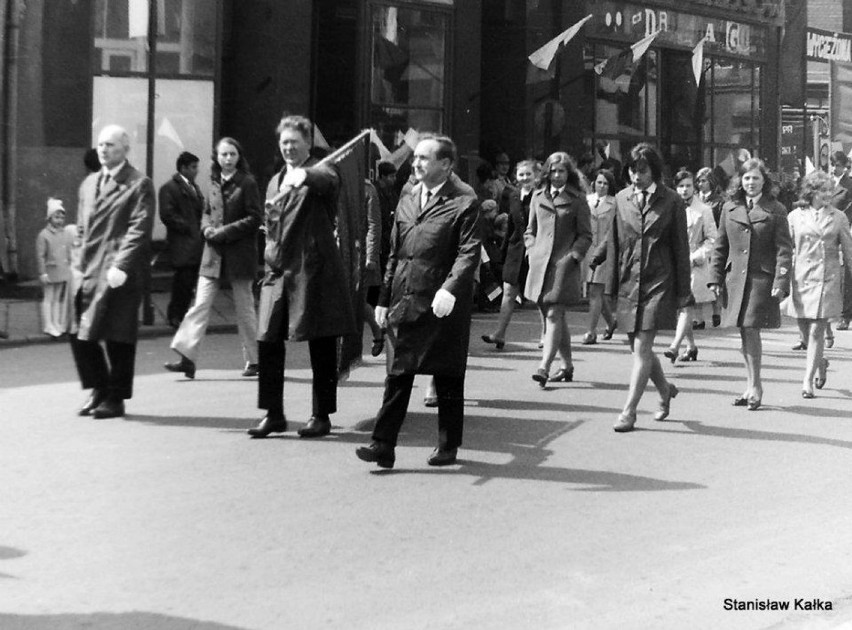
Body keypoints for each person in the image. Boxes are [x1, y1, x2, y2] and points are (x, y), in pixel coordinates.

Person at [356, 135, 481, 468]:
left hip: (443, 304)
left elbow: (469, 253)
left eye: (425, 158)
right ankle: (382, 445)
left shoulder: (464, 203)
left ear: (446, 164)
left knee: (447, 375)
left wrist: (450, 289)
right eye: (416, 158)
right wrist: (383, 298)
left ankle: (448, 444)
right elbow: (395, 252)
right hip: (407, 298)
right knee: (399, 373)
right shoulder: (408, 196)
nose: (416, 163)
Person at [248, 115, 356, 439]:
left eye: (294, 142)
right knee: (267, 339)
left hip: (312, 271)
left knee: (321, 344)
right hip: (277, 272)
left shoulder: (323, 169)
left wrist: (304, 176)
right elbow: (270, 223)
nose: (288, 148)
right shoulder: (274, 180)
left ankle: (320, 415)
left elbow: (327, 180)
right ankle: (273, 414)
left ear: (308, 143)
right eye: (284, 143)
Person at [589, 143, 692, 432]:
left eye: (643, 171)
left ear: (655, 171)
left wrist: (684, 293)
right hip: (628, 280)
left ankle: (629, 411)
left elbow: (680, 250)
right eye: (633, 170)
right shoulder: (621, 199)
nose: (637, 176)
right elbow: (614, 238)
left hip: (660, 280)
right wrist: (601, 266)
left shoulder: (672, 201)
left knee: (643, 345)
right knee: (637, 348)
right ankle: (664, 390)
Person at [70, 124, 155, 419]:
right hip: (88, 269)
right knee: (80, 332)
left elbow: (139, 229)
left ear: (125, 149)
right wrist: (77, 258)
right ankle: (99, 388)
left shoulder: (138, 184)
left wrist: (121, 265)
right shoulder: (89, 183)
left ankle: (115, 397)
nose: (104, 150)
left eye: (111, 145)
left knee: (118, 336)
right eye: (101, 145)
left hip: (118, 272)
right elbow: (81, 227)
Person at [164, 137, 261, 380]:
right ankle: (187, 358)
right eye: (223, 155)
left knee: (245, 308)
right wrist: (206, 228)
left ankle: (255, 360)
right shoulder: (212, 182)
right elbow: (206, 212)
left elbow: (254, 218)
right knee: (200, 305)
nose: (228, 159)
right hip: (213, 254)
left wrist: (224, 232)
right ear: (217, 158)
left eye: (232, 155)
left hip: (239, 254)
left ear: (239, 157)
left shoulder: (247, 183)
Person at [709, 158, 792, 411]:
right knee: (744, 332)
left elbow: (784, 250)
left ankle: (756, 386)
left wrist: (781, 280)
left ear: (764, 181)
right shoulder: (729, 208)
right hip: (735, 280)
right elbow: (720, 245)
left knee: (751, 329)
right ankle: (749, 385)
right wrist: (714, 278)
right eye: (746, 178)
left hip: (760, 280)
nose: (751, 183)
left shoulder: (776, 209)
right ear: (740, 181)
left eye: (756, 178)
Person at [524, 152, 592, 387]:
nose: (556, 175)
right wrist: (531, 249)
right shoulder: (537, 196)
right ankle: (567, 366)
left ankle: (544, 367)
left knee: (554, 314)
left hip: (564, 265)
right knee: (554, 316)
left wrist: (574, 256)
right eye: (552, 171)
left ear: (568, 173)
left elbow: (585, 235)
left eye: (561, 171)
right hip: (540, 264)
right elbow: (529, 230)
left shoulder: (578, 199)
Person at [785, 170, 852, 398]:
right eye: (822, 191)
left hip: (828, 279)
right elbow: (786, 250)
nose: (827, 195)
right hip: (801, 278)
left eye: (829, 191)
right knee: (805, 332)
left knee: (816, 331)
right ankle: (820, 362)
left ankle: (807, 381)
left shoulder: (839, 217)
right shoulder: (795, 216)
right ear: (811, 192)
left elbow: (849, 252)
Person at [482, 159, 538, 348]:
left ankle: (547, 334)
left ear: (535, 176)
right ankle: (499, 334)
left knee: (539, 295)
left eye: (528, 174)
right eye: (521, 174)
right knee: (508, 291)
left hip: (536, 249)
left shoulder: (541, 195)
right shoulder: (512, 196)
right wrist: (503, 251)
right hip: (515, 249)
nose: (524, 178)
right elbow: (510, 225)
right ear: (516, 176)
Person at [664, 170, 717, 362]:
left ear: (694, 187)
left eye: (688, 185)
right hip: (673, 263)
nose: (684, 190)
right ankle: (691, 346)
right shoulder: (669, 208)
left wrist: (696, 256)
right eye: (680, 186)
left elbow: (712, 239)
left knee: (686, 306)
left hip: (694, 264)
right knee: (681, 309)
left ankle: (674, 345)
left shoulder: (704, 210)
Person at [158, 151, 204, 328]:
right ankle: (175, 315)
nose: (196, 171)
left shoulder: (193, 187)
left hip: (193, 243)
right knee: (182, 282)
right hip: (182, 243)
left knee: (188, 281)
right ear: (183, 168)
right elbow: (167, 214)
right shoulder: (170, 188)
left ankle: (180, 314)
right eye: (193, 167)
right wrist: (187, 227)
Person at [582, 168, 617, 345]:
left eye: (605, 183)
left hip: (605, 252)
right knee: (597, 292)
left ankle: (590, 331)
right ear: (593, 183)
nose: (602, 186)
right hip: (588, 250)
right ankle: (611, 322)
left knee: (595, 290)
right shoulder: (586, 201)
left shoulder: (614, 203)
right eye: (599, 182)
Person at [36, 198, 73, 337]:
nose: (59, 220)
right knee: (49, 297)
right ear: (49, 217)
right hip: (50, 270)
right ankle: (48, 324)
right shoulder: (44, 235)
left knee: (58, 298)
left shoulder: (64, 233)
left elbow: (68, 251)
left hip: (61, 270)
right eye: (56, 217)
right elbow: (40, 255)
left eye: (62, 217)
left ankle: (56, 322)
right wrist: (42, 273)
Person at [829, 151, 852, 332]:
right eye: (832, 164)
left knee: (847, 275)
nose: (834, 168)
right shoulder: (824, 184)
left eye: (837, 165)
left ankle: (845, 315)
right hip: (826, 232)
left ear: (845, 166)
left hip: (846, 231)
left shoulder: (849, 185)